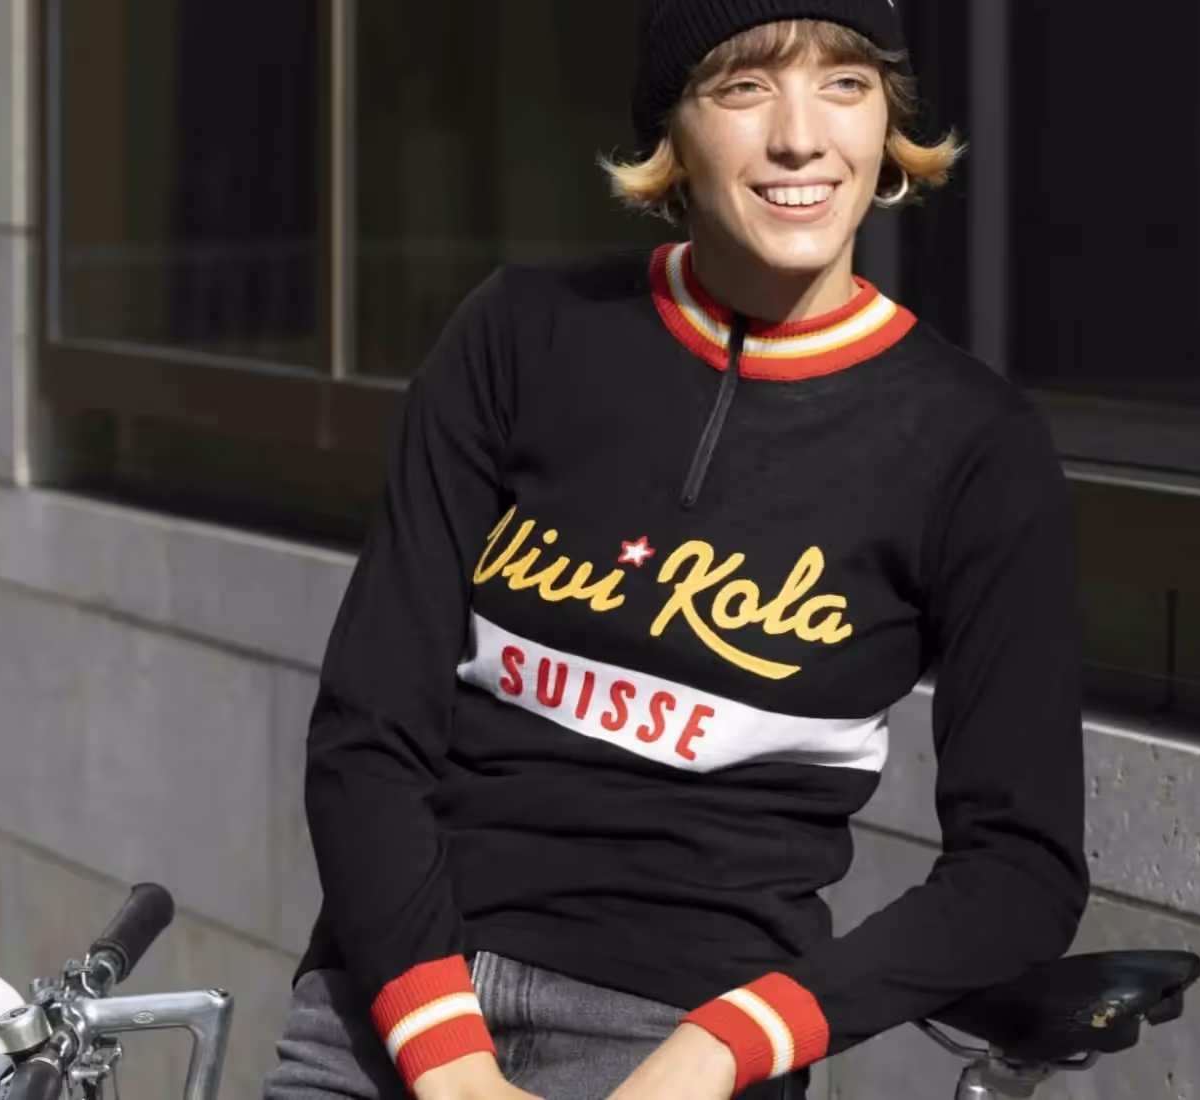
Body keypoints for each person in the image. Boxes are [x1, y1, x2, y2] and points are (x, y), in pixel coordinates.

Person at [262, 2, 1088, 1097]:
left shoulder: (974, 443)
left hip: (680, 1029)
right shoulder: (522, 333)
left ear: (888, 121)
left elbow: (1021, 871)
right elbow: (368, 732)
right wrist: (446, 1057)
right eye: (744, 87)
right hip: (399, 1000)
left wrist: (721, 1047)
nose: (800, 137)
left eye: (844, 84)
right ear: (672, 133)